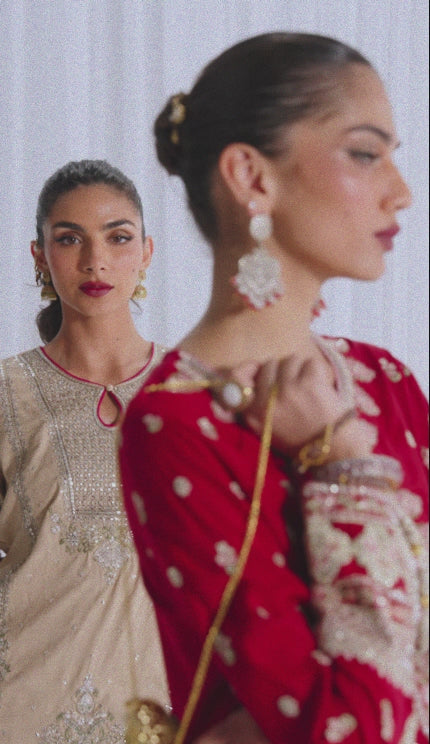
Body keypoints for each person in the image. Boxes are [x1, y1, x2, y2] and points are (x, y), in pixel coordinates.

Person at [119, 33, 429, 744]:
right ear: (252, 177)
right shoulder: (177, 423)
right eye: (366, 153)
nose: (402, 191)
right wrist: (341, 463)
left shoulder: (386, 382)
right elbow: (344, 729)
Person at [0, 158, 266, 744]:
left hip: (176, 710)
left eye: (117, 238)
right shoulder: (7, 395)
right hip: (25, 707)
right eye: (69, 239)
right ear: (39, 255)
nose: (95, 261)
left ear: (146, 252)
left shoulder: (200, 391)